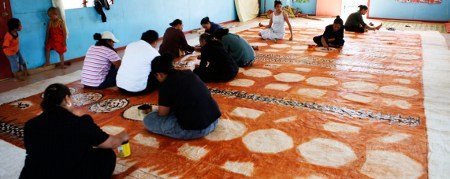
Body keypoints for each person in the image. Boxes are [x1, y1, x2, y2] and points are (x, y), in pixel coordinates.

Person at [19, 83, 129, 179]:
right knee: (107, 155)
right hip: (72, 175)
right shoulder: (80, 122)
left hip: (33, 175)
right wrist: (122, 136)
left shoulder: (30, 125)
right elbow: (110, 143)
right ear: (67, 99)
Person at [143, 54, 221, 140]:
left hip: (197, 130)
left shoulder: (166, 85)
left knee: (148, 119)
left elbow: (163, 114)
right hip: (214, 120)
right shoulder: (188, 72)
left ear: (159, 74)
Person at [116, 30, 160, 95]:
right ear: (155, 42)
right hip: (136, 90)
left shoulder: (130, 45)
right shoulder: (153, 52)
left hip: (120, 86)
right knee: (160, 76)